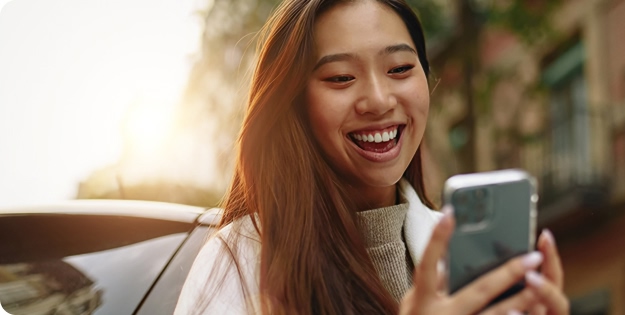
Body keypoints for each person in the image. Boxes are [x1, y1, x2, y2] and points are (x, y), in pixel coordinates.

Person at [174, 0, 570, 314]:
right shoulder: (239, 260)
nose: (379, 100)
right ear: (294, 104)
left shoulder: (457, 251)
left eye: (399, 68)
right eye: (341, 77)